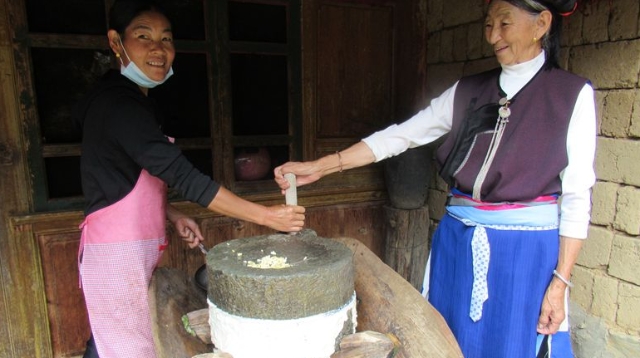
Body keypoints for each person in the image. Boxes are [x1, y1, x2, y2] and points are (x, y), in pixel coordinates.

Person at [274, 0, 595, 357]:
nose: (493, 36)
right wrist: (323, 166)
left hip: (524, 255)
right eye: (489, 25)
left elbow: (578, 197)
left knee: (512, 345)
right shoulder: (468, 92)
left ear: (542, 24)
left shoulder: (571, 95)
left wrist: (560, 282)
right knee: (445, 340)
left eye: (505, 24)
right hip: (457, 245)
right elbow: (402, 136)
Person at [72, 0, 306, 357]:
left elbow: (127, 175)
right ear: (116, 42)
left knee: (113, 340)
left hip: (129, 246)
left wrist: (172, 214)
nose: (158, 48)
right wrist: (267, 216)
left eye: (166, 38)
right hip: (116, 254)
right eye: (143, 36)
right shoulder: (117, 105)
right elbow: (181, 174)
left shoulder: (135, 102)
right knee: (127, 347)